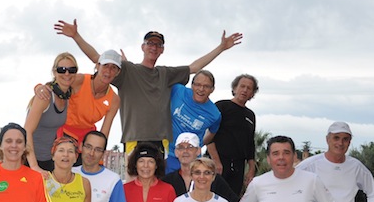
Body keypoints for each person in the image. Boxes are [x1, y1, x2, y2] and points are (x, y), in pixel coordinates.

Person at [54, 19, 242, 154]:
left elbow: (194, 67)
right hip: (134, 138)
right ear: (143, 47)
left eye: (158, 45)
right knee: (133, 185)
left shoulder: (166, 74)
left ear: (162, 50)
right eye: (150, 43)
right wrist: (76, 36)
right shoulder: (127, 71)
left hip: (162, 140)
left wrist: (221, 48)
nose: (153, 47)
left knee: (157, 186)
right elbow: (98, 59)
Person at [208, 74, 258, 197]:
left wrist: (251, 168)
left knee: (232, 200)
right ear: (235, 88)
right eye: (242, 86)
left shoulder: (250, 115)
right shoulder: (221, 106)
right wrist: (216, 162)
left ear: (252, 93)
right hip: (219, 163)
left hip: (238, 166)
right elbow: (208, 136)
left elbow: (250, 143)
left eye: (249, 88)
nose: (245, 90)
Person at [25, 53, 77, 172]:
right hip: (29, 160)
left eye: (71, 70)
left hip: (48, 159)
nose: (67, 74)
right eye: (61, 70)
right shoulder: (45, 96)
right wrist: (33, 166)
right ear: (54, 72)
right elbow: (27, 130)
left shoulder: (66, 97)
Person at [165, 70, 221, 173]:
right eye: (198, 85)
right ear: (192, 85)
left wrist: (200, 144)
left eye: (206, 86)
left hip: (191, 159)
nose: (201, 89)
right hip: (168, 153)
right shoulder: (177, 90)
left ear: (212, 89)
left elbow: (212, 132)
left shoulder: (215, 114)